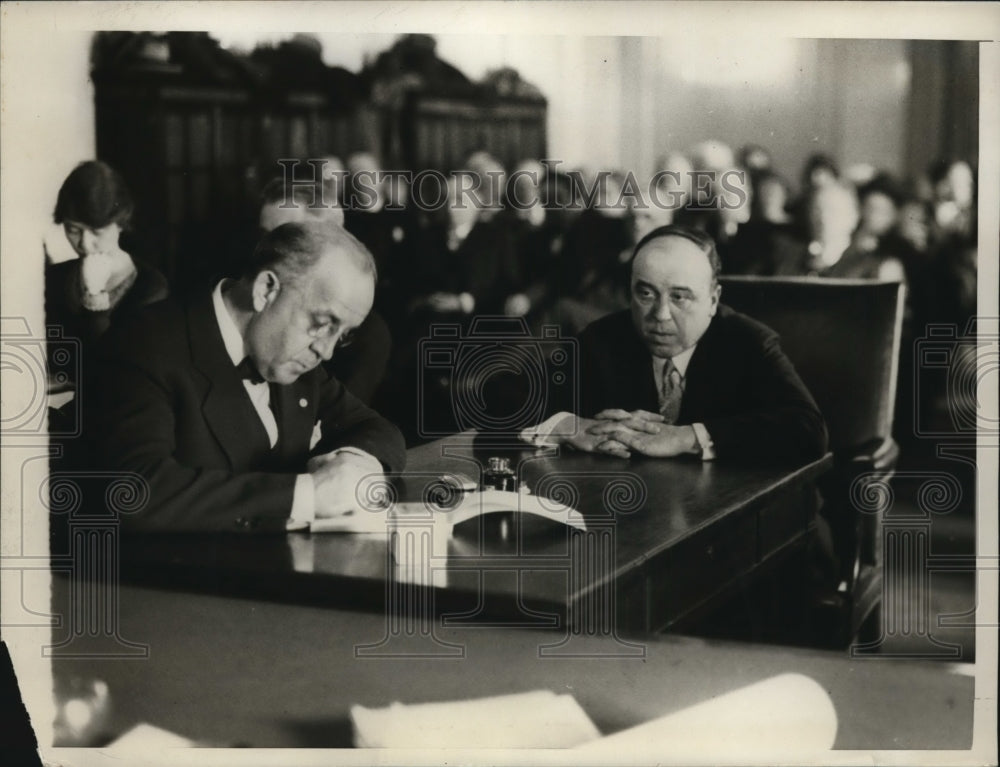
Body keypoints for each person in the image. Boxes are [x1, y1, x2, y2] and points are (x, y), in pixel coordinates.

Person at [85, 221, 406, 532]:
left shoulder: (295, 356)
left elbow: (378, 429)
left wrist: (354, 464)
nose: (328, 351)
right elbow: (134, 492)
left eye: (343, 335)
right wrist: (310, 494)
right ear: (265, 290)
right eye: (322, 323)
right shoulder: (144, 344)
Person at [520, 225, 827, 464]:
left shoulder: (748, 342)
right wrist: (567, 426)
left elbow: (808, 430)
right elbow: (503, 399)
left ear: (713, 300)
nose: (660, 316)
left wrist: (686, 437)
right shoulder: (605, 338)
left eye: (679, 297)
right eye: (646, 294)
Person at [256, 176, 390, 405]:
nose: (261, 253)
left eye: (285, 240)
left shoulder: (366, 336)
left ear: (333, 239)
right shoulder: (252, 300)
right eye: (263, 237)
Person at [46, 161, 168, 351]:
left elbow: (113, 364)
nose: (85, 244)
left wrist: (94, 295)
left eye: (96, 231)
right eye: (73, 230)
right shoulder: (55, 277)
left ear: (120, 223)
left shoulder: (151, 287)